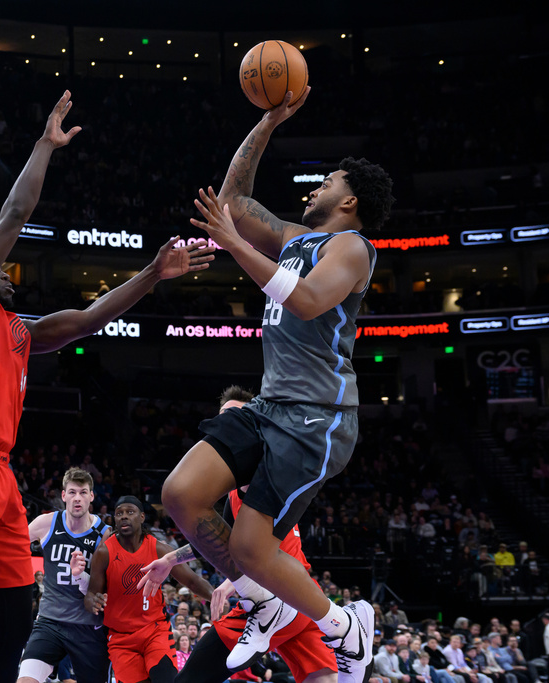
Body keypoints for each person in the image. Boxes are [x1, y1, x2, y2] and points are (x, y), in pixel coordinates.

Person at [0, 90, 213, 683]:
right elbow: (14, 217)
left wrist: (151, 274)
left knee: (18, 616)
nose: (8, 271)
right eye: (0, 267)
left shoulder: (21, 332)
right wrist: (45, 146)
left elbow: (92, 318)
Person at [161, 86, 391, 673]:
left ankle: (345, 626)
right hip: (269, 407)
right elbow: (235, 198)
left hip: (318, 417)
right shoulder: (293, 239)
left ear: (351, 201)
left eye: (331, 181)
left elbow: (311, 301)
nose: (318, 186)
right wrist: (268, 121)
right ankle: (265, 600)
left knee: (247, 545)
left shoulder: (353, 247)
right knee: (181, 494)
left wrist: (234, 243)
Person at [141, 387, 340, 683]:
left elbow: (256, 555)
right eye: (225, 419)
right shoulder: (239, 490)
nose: (230, 429)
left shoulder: (261, 476)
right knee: (322, 678)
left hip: (274, 599)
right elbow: (213, 537)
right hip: (300, 596)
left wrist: (232, 584)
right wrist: (170, 559)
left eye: (239, 418)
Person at [84, 496, 213, 683]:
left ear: (142, 517)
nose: (124, 517)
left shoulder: (159, 549)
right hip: (121, 638)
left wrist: (215, 595)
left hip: (154, 631)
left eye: (130, 512)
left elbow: (192, 581)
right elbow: (90, 594)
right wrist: (93, 602)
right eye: (119, 514)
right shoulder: (104, 552)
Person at [17, 468, 111, 683]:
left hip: (89, 626)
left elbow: (102, 588)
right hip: (51, 622)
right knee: (25, 680)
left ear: (92, 497)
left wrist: (80, 575)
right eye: (72, 492)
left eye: (83, 492)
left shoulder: (103, 534)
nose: (77, 498)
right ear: (63, 496)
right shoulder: (46, 523)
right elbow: (11, 546)